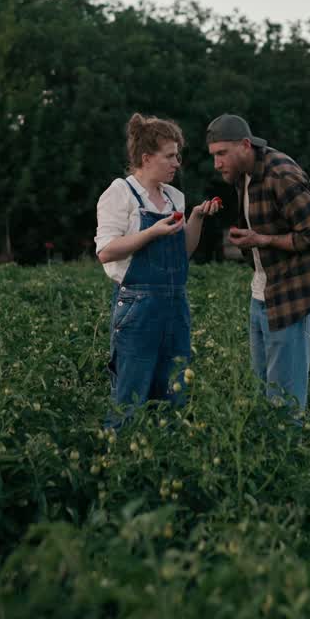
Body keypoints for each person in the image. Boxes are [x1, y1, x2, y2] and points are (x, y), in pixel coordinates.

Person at [94, 113, 221, 428]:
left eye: (177, 155)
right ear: (146, 158)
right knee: (131, 394)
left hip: (175, 305)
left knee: (174, 390)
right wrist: (151, 233)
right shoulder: (120, 193)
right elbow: (105, 251)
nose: (177, 162)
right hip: (138, 305)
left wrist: (196, 218)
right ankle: (121, 462)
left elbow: (182, 253)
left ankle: (166, 459)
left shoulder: (173, 197)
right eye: (169, 156)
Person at [208, 114, 310, 419]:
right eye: (214, 155)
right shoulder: (243, 175)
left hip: (290, 298)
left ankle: (289, 461)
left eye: (222, 153)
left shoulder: (281, 175)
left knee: (285, 401)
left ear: (245, 145)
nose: (217, 164)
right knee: (261, 391)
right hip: (261, 295)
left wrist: (261, 238)